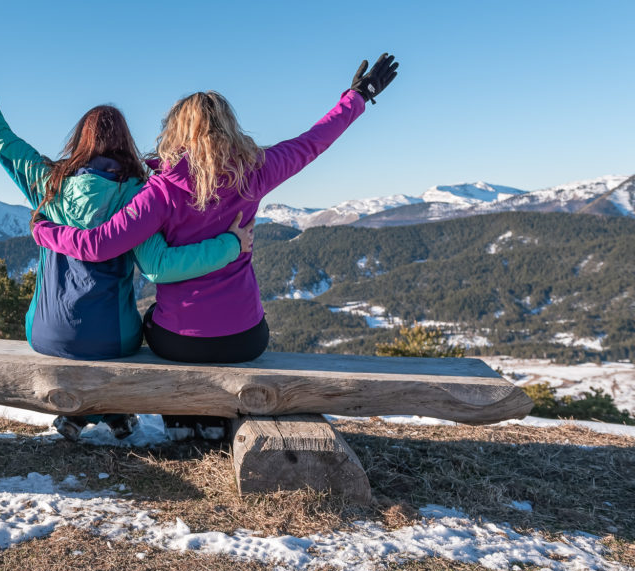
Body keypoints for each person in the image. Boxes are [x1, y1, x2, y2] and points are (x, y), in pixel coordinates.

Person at [0, 27, 253, 439]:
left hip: (45, 334)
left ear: (79, 141)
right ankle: (116, 413)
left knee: (88, 332)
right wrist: (231, 244)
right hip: (113, 340)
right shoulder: (139, 194)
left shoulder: (47, 183)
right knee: (148, 327)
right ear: (126, 145)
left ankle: (91, 414)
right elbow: (159, 265)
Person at [30, 54, 398, 372]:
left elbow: (98, 245)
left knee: (148, 326)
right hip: (247, 339)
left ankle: (182, 420)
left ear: (175, 129)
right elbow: (313, 141)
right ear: (228, 125)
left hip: (180, 341)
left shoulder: (160, 190)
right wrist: (358, 97)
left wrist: (45, 231)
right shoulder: (256, 170)